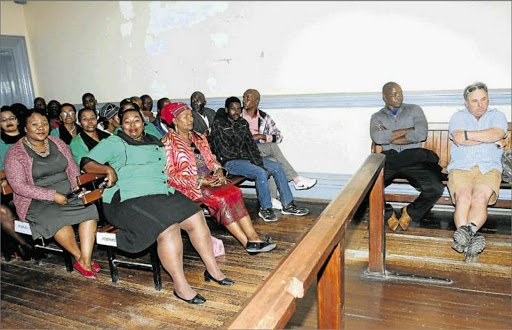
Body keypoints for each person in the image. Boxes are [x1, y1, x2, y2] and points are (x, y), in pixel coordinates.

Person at [81, 101, 233, 304]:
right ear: (120, 123)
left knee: (195, 216)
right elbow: (85, 162)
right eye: (127, 122)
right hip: (126, 198)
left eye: (136, 120)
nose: (132, 125)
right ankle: (180, 286)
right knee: (167, 227)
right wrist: (108, 170)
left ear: (143, 122)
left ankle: (213, 270)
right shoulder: (115, 142)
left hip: (159, 192)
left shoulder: (154, 140)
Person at [161, 102, 276, 254]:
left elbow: (211, 159)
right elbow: (170, 176)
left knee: (234, 192)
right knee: (221, 199)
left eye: (190, 115)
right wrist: (200, 180)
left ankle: (253, 238)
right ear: (174, 121)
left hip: (209, 180)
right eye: (185, 117)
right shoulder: (167, 143)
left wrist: (218, 170)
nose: (190, 119)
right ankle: (247, 242)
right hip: (189, 186)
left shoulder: (198, 137)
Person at [4, 110, 99, 278]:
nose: (41, 127)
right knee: (56, 218)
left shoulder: (58, 143)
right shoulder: (15, 152)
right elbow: (19, 186)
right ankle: (80, 258)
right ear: (25, 127)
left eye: (44, 123)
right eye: (35, 124)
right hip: (35, 201)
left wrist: (77, 187)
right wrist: (52, 195)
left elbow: (72, 170)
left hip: (67, 194)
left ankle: (85, 259)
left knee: (89, 210)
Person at [210, 96, 309, 222]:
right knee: (260, 172)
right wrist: (254, 163)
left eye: (238, 109)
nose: (236, 112)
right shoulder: (219, 125)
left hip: (246, 159)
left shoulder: (242, 123)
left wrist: (257, 162)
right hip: (230, 163)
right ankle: (265, 209)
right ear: (226, 110)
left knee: (277, 167)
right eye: (232, 109)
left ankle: (288, 205)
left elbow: (251, 146)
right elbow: (224, 152)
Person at [370, 82, 444, 231]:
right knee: (366, 187)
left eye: (400, 93)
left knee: (436, 188)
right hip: (388, 159)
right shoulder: (377, 116)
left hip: (413, 158)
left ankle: (410, 212)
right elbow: (378, 138)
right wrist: (408, 130)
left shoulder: (414, 110)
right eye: (393, 94)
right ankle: (387, 213)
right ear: (384, 97)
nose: (398, 97)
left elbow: (421, 134)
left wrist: (389, 136)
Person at [447, 82, 508, 262]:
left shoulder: (498, 115)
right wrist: (490, 139)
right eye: (474, 101)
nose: (480, 105)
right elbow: (460, 139)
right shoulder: (458, 117)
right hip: (461, 166)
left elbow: (496, 133)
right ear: (466, 103)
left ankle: (465, 237)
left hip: (489, 167)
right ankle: (470, 241)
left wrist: (468, 135)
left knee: (479, 198)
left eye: (483, 100)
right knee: (464, 198)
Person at [241, 89, 317, 210]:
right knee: (272, 147)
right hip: (243, 150)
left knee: (273, 161)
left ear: (257, 101)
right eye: (244, 97)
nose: (244, 101)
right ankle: (296, 179)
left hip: (259, 150)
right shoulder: (237, 115)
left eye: (248, 98)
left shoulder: (264, 117)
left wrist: (262, 136)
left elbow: (279, 137)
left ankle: (271, 198)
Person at [1, 107, 32, 259]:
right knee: (4, 210)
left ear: (18, 120)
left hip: (32, 184)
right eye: (3, 120)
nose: (8, 122)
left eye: (11, 118)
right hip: (7, 188)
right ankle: (24, 244)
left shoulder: (29, 138)